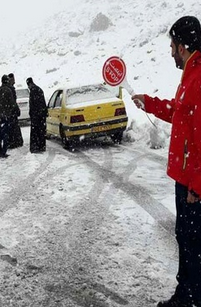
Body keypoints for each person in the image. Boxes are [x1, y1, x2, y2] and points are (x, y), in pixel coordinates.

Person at [132, 16, 201, 307]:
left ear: (182, 46)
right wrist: (149, 102)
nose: (171, 52)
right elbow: (179, 113)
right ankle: (185, 294)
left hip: (193, 184)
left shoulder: (198, 78)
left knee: (193, 244)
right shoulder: (190, 74)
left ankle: (191, 298)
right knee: (185, 239)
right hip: (184, 177)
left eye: (172, 46)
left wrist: (196, 186)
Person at [0, 75, 16, 158]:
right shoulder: (8, 90)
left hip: (0, 115)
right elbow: (12, 103)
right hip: (7, 114)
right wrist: (10, 109)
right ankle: (3, 151)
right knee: (6, 133)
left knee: (0, 133)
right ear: (7, 81)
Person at [27, 77, 48, 153]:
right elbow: (43, 102)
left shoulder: (33, 91)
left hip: (36, 115)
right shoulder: (39, 89)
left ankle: (35, 147)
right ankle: (42, 146)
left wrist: (32, 114)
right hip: (41, 115)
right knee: (41, 131)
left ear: (30, 84)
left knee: (35, 132)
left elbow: (32, 105)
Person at [7, 73, 24, 149]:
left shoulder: (9, 88)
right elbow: (13, 101)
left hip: (9, 111)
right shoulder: (11, 89)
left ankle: (13, 141)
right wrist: (16, 109)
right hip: (12, 111)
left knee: (12, 127)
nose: (14, 80)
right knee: (14, 127)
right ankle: (15, 142)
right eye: (13, 79)